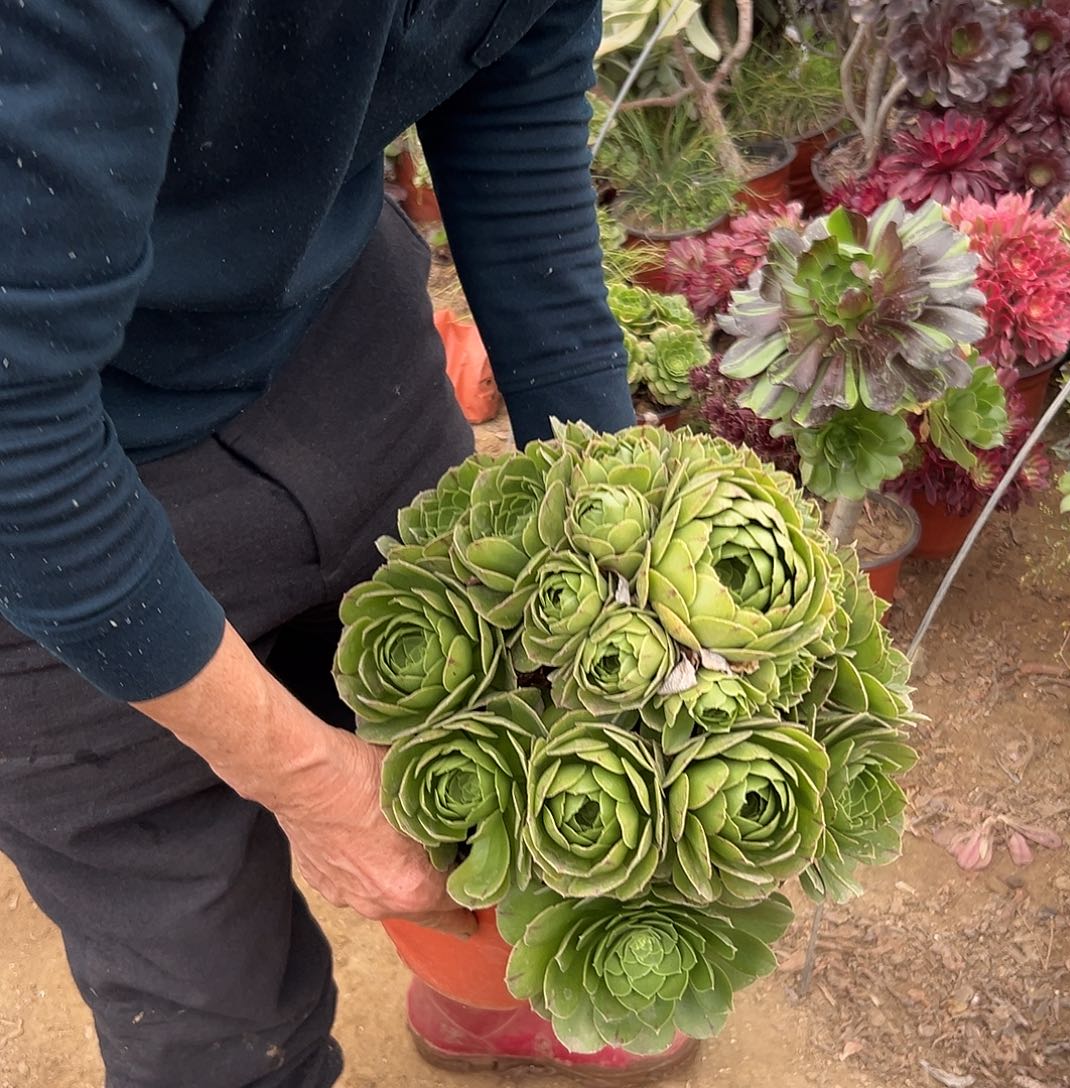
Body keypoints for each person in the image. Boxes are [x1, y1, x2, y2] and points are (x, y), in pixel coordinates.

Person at [0, 1, 701, 1086]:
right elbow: (18, 443)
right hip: (44, 485)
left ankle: (483, 996)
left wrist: (617, 535)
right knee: (212, 1010)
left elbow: (514, 116)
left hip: (335, 343)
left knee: (487, 750)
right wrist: (315, 786)